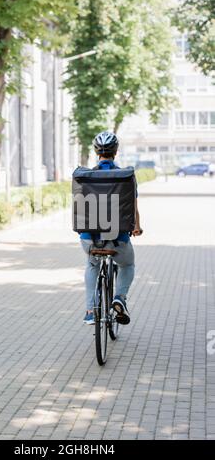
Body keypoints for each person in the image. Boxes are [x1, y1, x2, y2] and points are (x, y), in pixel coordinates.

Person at [80, 131, 143, 325]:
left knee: (92, 264)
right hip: (118, 238)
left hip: (89, 238)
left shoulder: (85, 177)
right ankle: (119, 298)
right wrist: (137, 227)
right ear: (116, 152)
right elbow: (133, 207)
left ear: (96, 152)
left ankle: (91, 310)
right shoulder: (125, 176)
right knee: (127, 265)